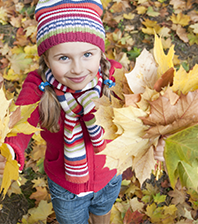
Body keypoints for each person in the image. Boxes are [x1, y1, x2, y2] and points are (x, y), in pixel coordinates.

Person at [0, 0, 165, 223]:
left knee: (102, 212)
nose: (77, 68)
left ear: (100, 52)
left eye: (87, 54)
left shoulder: (115, 77)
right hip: (66, 187)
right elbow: (19, 123)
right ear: (46, 59)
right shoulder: (38, 86)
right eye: (64, 58)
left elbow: (143, 117)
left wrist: (155, 143)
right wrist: (9, 151)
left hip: (109, 176)